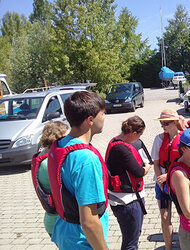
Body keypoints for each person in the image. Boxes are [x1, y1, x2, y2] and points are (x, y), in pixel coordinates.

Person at [48, 91, 109, 249]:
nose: (105, 117)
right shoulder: (86, 159)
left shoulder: (61, 144)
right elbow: (88, 222)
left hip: (65, 232)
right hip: (83, 240)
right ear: (90, 120)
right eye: (103, 113)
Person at [105, 116, 152, 250]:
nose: (139, 139)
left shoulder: (114, 141)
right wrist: (147, 168)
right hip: (127, 202)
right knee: (131, 242)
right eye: (140, 135)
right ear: (133, 134)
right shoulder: (122, 149)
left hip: (120, 200)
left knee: (131, 237)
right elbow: (138, 172)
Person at [151, 109, 187, 250]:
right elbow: (156, 163)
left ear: (175, 122)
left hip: (180, 182)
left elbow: (187, 164)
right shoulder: (159, 139)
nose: (163, 126)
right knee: (165, 217)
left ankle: (185, 244)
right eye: (161, 123)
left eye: (166, 123)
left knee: (184, 215)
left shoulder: (184, 139)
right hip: (162, 184)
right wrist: (161, 180)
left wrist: (169, 175)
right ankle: (168, 247)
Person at [31, 121, 69, 237]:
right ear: (59, 138)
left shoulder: (41, 156)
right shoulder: (51, 162)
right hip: (63, 223)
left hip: (51, 221)